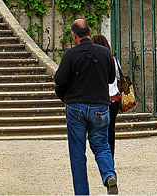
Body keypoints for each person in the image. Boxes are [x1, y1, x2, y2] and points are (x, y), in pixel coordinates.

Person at [54, 19, 119, 195]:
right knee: (101, 146)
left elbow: (59, 80)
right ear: (90, 31)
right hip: (100, 105)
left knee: (77, 152)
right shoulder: (105, 53)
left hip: (76, 106)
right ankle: (108, 174)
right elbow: (112, 79)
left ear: (74, 36)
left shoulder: (71, 55)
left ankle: (82, 193)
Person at [91, 34, 123, 156]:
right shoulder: (113, 60)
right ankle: (110, 156)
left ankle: (102, 155)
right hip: (114, 98)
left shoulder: (93, 60)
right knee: (111, 129)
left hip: (99, 99)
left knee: (99, 130)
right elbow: (119, 77)